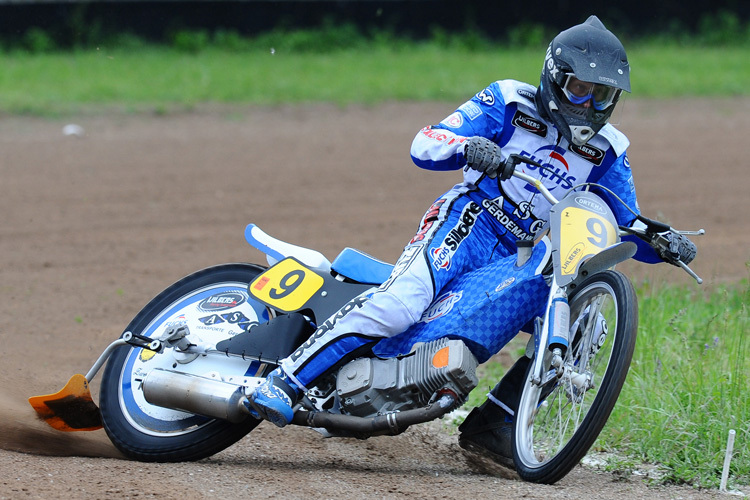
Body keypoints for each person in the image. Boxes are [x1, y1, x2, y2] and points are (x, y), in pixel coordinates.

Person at [246, 15, 697, 468]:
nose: (589, 104)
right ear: (554, 78)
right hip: (466, 223)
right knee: (400, 304)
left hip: (520, 253)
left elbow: (620, 222)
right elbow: (426, 142)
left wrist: (661, 240)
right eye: (580, 89)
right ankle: (286, 380)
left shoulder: (610, 150)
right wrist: (469, 148)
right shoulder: (508, 100)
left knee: (588, 323)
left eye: (602, 94)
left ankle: (496, 425)